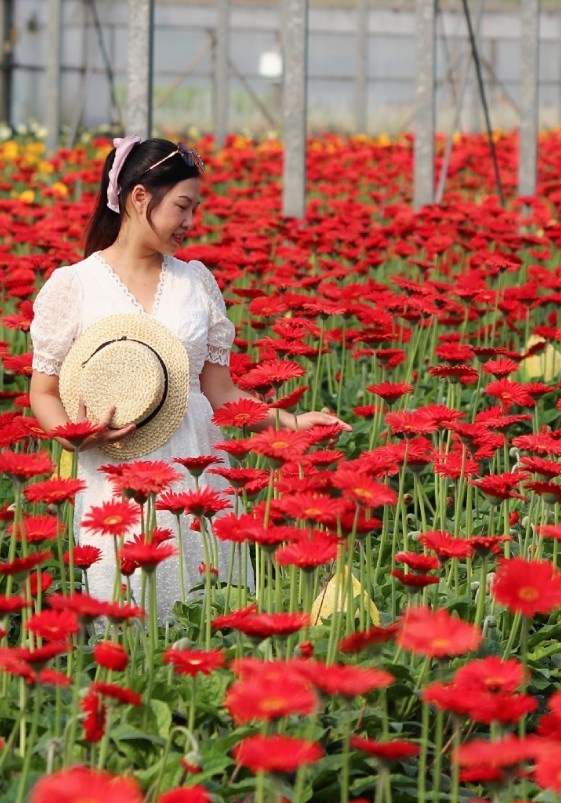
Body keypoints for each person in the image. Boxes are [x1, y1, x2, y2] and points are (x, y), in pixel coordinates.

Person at [28, 135, 349, 618]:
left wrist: (291, 425)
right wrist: (74, 437)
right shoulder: (73, 285)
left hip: (200, 468)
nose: (190, 223)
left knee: (214, 610)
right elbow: (44, 391)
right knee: (128, 616)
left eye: (194, 208)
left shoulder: (196, 280)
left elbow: (221, 391)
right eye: (182, 206)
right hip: (116, 476)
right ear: (140, 198)